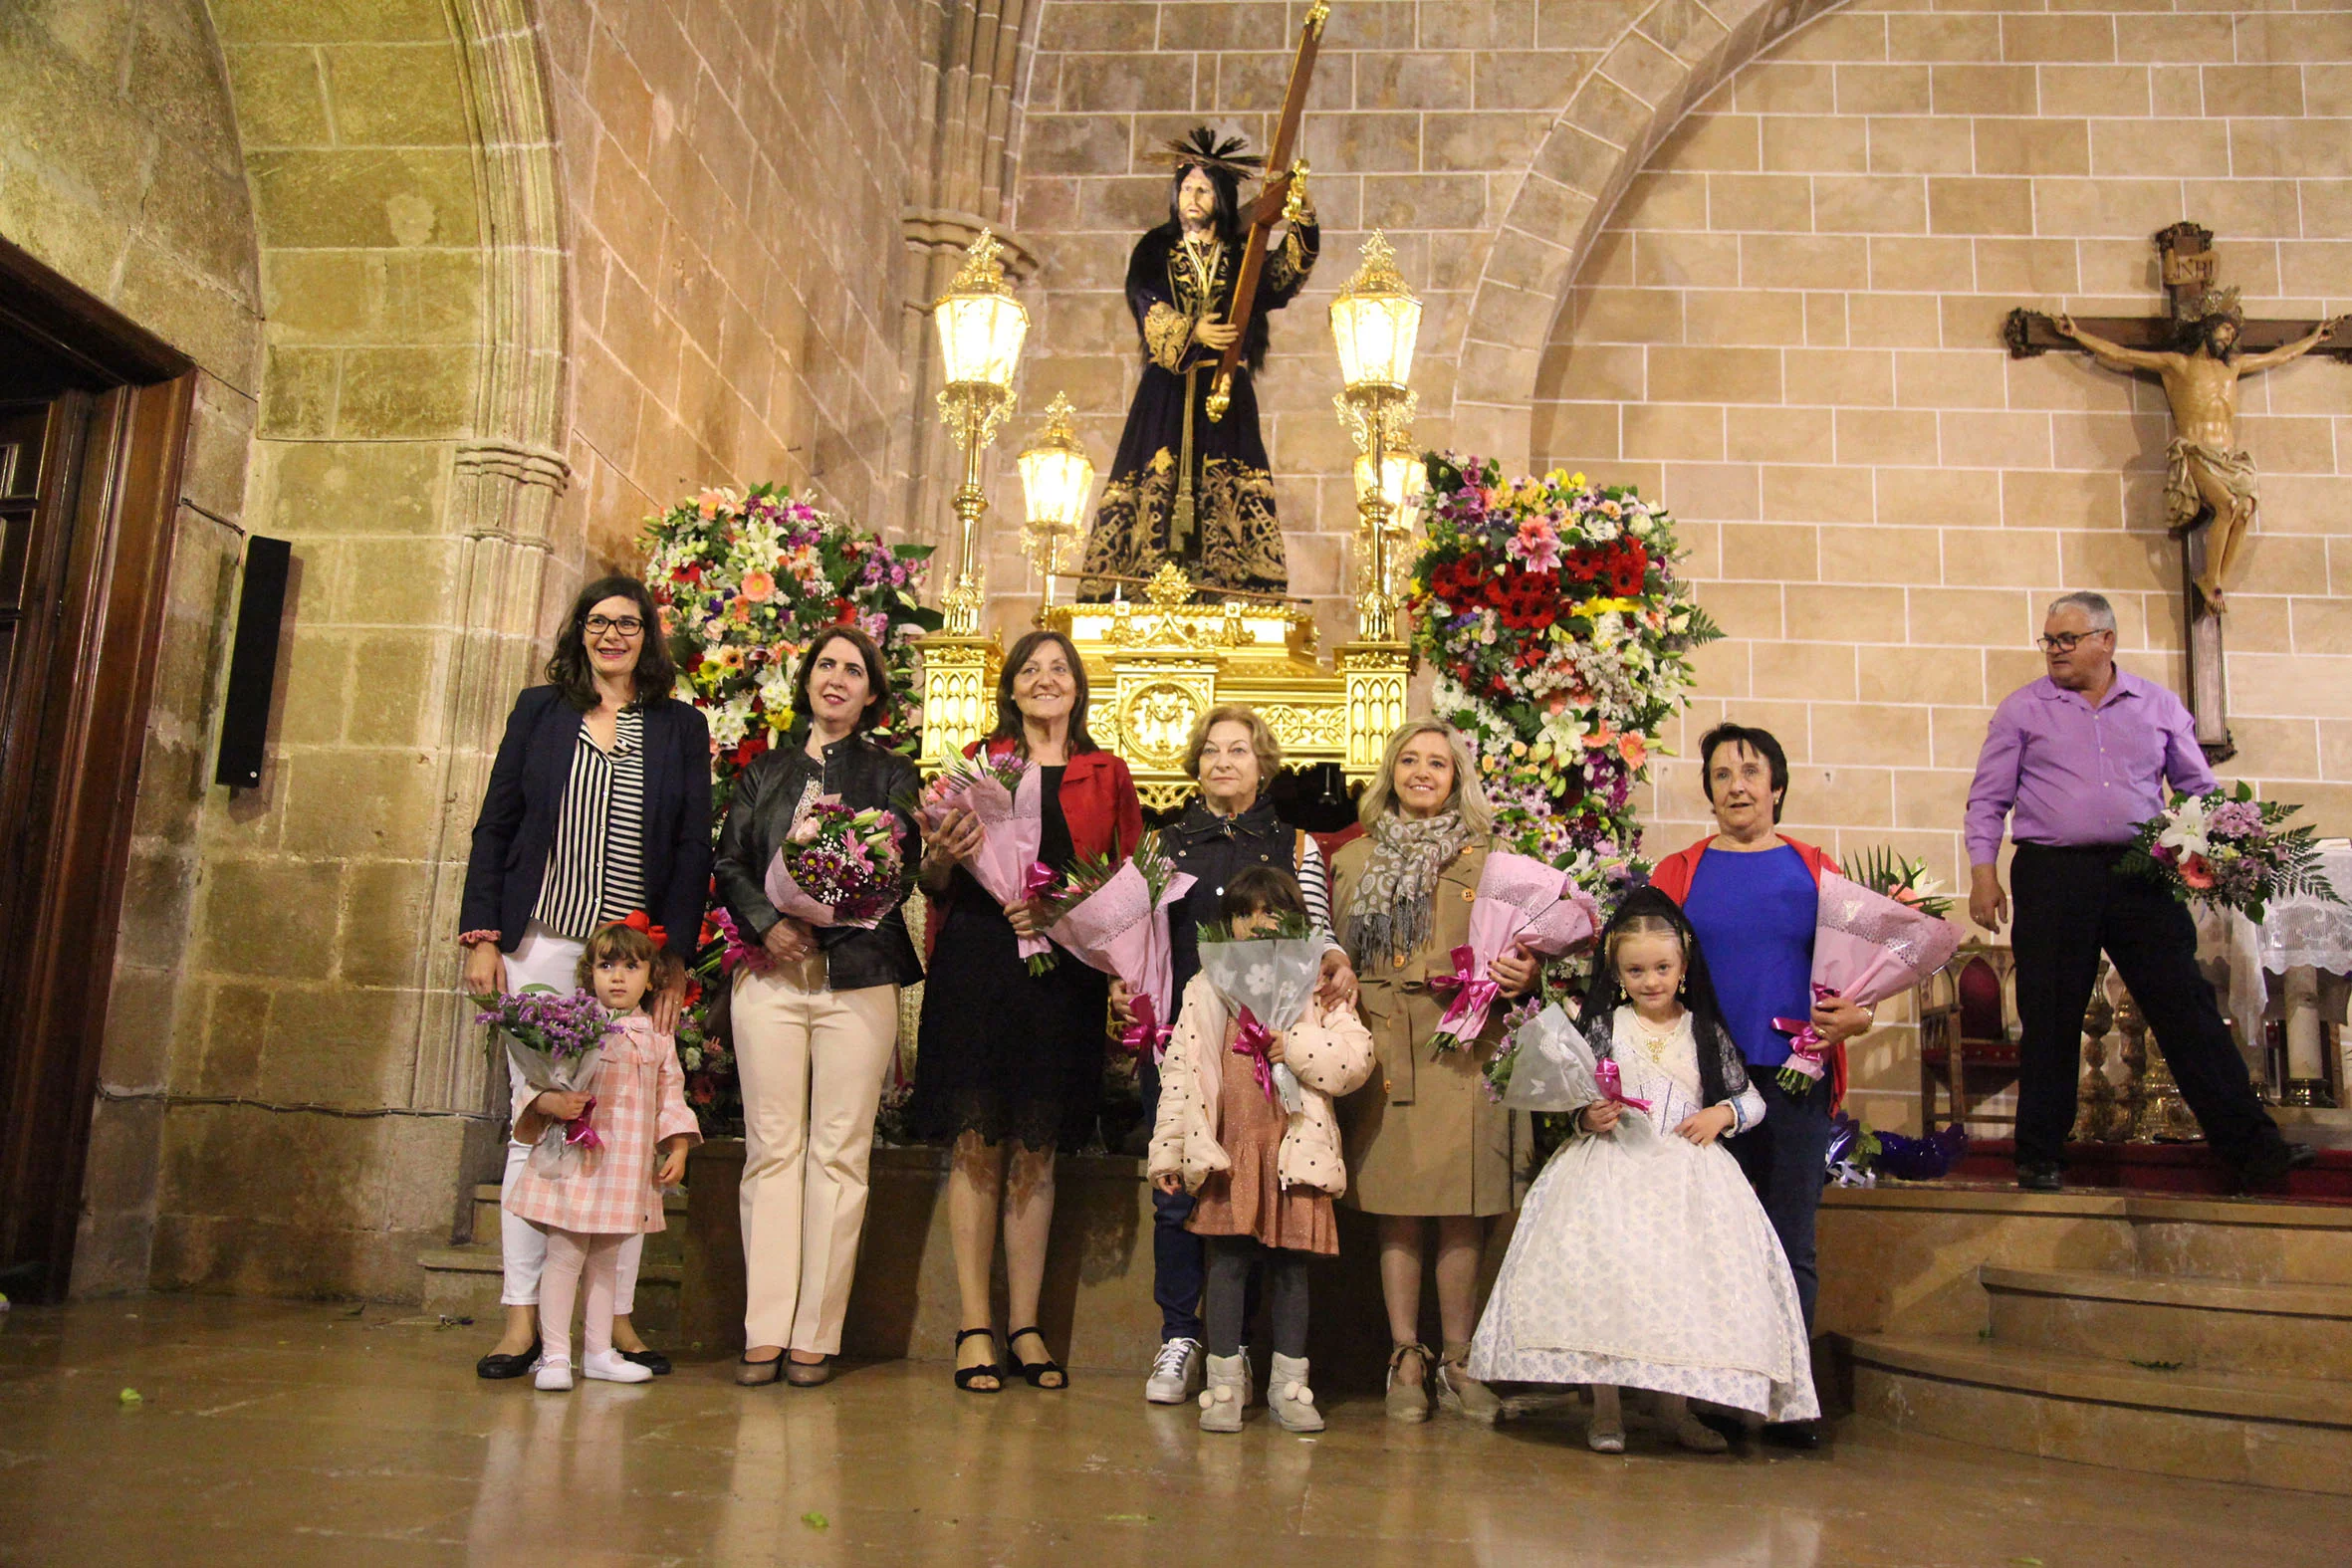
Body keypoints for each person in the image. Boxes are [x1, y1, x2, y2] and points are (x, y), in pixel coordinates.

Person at [1966, 591, 2312, 1190]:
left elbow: (2197, 790)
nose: (2054, 650)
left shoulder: (2157, 705)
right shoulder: (2022, 710)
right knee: (2049, 1015)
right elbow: (1988, 799)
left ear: (2107, 641)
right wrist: (1982, 873)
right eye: (2049, 640)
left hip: (2140, 874)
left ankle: (2252, 1151)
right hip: (2052, 873)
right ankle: (2040, 1155)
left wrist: (2218, 847)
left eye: (2066, 640)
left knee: (2187, 1010)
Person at [459, 574, 713, 1380]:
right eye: (598, 622)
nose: (612, 635)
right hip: (539, 945)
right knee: (534, 1122)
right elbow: (496, 824)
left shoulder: (678, 726)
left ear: (648, 635)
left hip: (628, 960)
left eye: (627, 623)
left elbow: (690, 850)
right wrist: (483, 936)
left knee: (627, 1134)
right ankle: (519, 1318)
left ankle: (617, 1323)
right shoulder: (541, 711)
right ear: (580, 632)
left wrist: (672, 962)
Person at [1468, 889, 1816, 1452]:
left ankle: (1674, 1407)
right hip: (1611, 1174)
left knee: (1677, 1289)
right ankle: (1606, 1409)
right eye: (1636, 970)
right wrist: (1589, 1116)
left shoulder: (1705, 1032)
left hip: (1686, 1181)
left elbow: (1752, 1100)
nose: (1650, 980)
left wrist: (1720, 1113)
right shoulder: (1605, 1027)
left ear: (1683, 970)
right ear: (1617, 972)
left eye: (1661, 968)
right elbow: (1574, 1096)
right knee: (1610, 1283)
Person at [910, 629, 1144, 1393]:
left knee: (1038, 1150)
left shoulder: (1107, 772)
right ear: (1010, 689)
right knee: (978, 1141)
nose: (1046, 680)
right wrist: (939, 855)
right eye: (1030, 670)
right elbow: (936, 879)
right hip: (979, 964)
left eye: (1059, 670)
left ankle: (1027, 1325)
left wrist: (1061, 909)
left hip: (1061, 973)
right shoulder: (978, 765)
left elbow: (1130, 879)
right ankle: (975, 1323)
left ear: (1078, 689)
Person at [1118, 704, 1356, 1406]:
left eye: (1240, 750)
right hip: (1189, 1035)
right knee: (1182, 1191)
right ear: (1194, 765)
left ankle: (1245, 1346)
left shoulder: (1297, 844)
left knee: (1263, 1195)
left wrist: (1336, 958)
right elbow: (1138, 938)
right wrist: (1129, 997)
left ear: (1264, 762)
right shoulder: (1164, 845)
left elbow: (1319, 928)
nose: (1225, 761)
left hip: (1273, 1046)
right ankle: (1181, 1336)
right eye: (1212, 751)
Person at [1647, 721, 1870, 1449]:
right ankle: (1716, 1392)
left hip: (1795, 1077)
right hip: (1704, 1080)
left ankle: (1789, 1396)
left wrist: (1855, 1016)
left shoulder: (1816, 870)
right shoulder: (1678, 871)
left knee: (1789, 1238)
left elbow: (1859, 977)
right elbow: (1642, 970)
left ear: (1776, 784)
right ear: (1707, 790)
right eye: (1721, 774)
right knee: (1712, 1239)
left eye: (1750, 771)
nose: (1736, 784)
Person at [711, 626, 923, 1387]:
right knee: (772, 1147)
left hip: (859, 976)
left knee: (839, 1151)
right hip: (770, 974)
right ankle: (764, 1326)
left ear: (871, 692)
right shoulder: (763, 770)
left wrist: (844, 901)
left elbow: (905, 861)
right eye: (827, 665)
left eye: (854, 669)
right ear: (808, 681)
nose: (838, 678)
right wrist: (769, 921)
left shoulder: (894, 772)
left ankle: (815, 1332)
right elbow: (730, 860)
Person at [1330, 720, 1538, 1423]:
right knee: (1397, 1208)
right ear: (1390, 771)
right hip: (1388, 1047)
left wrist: (1521, 970)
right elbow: (1332, 959)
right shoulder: (1354, 861)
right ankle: (1404, 1355)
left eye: (1438, 763)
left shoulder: (1491, 863)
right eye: (1410, 760)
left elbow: (1526, 952)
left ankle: (1459, 1355)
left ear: (1458, 779)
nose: (1423, 772)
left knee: (1461, 1209)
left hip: (1465, 1046)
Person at [1148, 867, 1375, 1433]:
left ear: (1297, 923)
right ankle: (1224, 1386)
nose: (1257, 924)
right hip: (1229, 1149)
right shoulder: (1206, 987)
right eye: (1245, 914)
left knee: (1291, 1270)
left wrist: (1290, 1042)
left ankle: (1290, 1387)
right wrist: (1168, 1152)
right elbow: (1180, 1074)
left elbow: (1352, 1062)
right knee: (1225, 1266)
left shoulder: (1317, 986)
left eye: (1271, 913)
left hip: (1293, 1152)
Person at [1076, 125, 1318, 600]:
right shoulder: (1155, 248)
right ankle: (1148, 584)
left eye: (1203, 188)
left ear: (1221, 197)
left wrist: (1301, 217)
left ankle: (1234, 587)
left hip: (1226, 391)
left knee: (1231, 478)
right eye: (1186, 187)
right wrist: (1193, 331)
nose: (1193, 195)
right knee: (1154, 477)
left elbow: (1282, 278)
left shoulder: (1241, 253)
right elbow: (1143, 299)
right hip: (1167, 388)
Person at [505, 919, 701, 1391]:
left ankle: (597, 1351)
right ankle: (554, 1355)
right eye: (606, 965)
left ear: (650, 978)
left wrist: (676, 1143)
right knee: (565, 1255)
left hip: (625, 1167)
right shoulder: (577, 1028)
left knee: (606, 1263)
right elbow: (542, 1083)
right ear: (588, 973)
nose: (617, 976)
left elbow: (670, 1094)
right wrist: (552, 1102)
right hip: (578, 1164)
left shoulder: (657, 1037)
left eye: (631, 967)